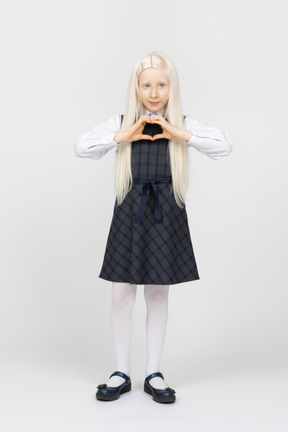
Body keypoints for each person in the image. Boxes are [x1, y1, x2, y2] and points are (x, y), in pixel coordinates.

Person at [74, 51, 232, 404]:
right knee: (121, 292)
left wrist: (180, 134)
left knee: (158, 292)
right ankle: (121, 371)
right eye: (147, 84)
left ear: (171, 87)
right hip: (130, 208)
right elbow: (80, 148)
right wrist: (122, 136)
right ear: (137, 87)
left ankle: (154, 373)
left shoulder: (183, 124)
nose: (154, 92)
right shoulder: (120, 122)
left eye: (161, 84)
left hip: (166, 208)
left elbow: (224, 146)